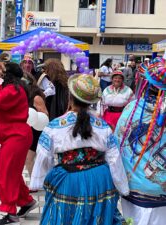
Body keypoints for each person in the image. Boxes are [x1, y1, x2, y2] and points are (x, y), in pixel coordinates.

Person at [30, 74, 129, 225]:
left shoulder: (54, 126)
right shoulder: (103, 126)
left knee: (67, 218)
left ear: (70, 96)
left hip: (69, 179)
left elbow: (43, 158)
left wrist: (39, 181)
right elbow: (114, 159)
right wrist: (122, 187)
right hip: (99, 180)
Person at [0, 62, 38, 225]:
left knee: (6, 173)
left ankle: (10, 213)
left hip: (17, 136)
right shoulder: (8, 89)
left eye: (2, 73)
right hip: (13, 136)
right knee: (11, 172)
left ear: (8, 75)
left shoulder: (14, 89)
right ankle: (26, 201)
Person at [114, 57, 166, 225]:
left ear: (146, 84)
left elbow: (116, 144)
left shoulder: (132, 108)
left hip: (132, 189)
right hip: (161, 193)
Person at [22, 72, 48, 188]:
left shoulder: (36, 97)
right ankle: (36, 181)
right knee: (28, 158)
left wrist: (35, 115)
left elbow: (45, 114)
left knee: (29, 158)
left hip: (36, 130)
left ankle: (34, 183)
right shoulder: (24, 95)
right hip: (28, 130)